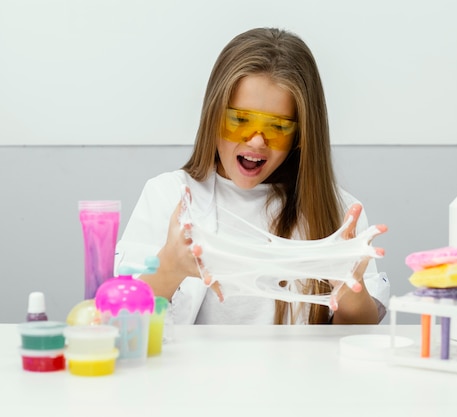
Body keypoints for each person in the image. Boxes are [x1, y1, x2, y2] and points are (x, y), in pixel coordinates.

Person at [115, 27, 389, 325]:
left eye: (278, 128)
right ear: (213, 116)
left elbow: (359, 333)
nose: (257, 142)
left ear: (301, 135)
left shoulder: (339, 215)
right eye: (240, 121)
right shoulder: (167, 196)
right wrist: (169, 266)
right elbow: (117, 320)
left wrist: (348, 287)